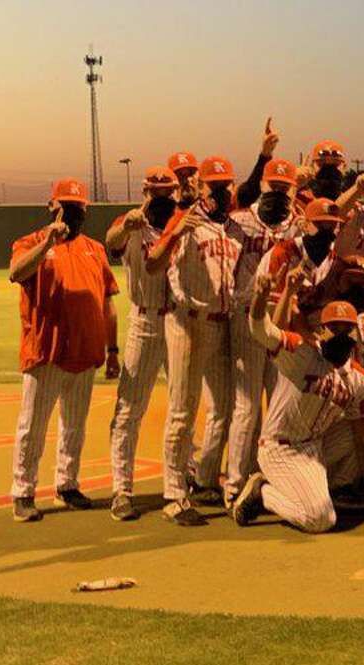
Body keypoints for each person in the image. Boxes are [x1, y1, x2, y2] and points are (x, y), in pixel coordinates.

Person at [7, 178, 119, 522]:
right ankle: (23, 492)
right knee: (33, 425)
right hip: (47, 351)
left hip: (85, 352)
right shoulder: (30, 242)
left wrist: (112, 350)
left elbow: (107, 301)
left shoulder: (95, 248)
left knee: (75, 425)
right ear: (51, 207)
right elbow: (16, 272)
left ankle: (67, 484)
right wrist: (47, 245)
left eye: (77, 207)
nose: (71, 213)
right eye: (65, 206)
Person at [232, 281, 364, 532]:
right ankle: (264, 494)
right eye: (334, 328)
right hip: (280, 448)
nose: (341, 334)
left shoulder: (360, 379)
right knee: (321, 519)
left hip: (315, 445)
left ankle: (335, 488)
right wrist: (260, 297)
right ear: (322, 330)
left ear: (356, 333)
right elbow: (260, 329)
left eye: (347, 328)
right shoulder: (301, 352)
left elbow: (363, 440)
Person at [148, 155, 241, 525]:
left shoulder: (231, 226)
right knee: (182, 411)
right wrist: (175, 232)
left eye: (225, 185)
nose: (219, 191)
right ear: (201, 188)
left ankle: (204, 479)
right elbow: (154, 263)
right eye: (213, 185)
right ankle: (174, 494)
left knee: (224, 408)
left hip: (220, 324)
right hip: (187, 323)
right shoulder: (184, 219)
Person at [223, 158, 306, 506]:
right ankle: (234, 483)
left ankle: (270, 476)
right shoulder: (239, 220)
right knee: (246, 407)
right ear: (264, 186)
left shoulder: (296, 224)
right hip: (245, 315)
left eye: (285, 189)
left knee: (278, 405)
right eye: (274, 186)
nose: (280, 194)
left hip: (279, 318)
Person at [104, 166, 179, 521]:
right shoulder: (132, 223)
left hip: (180, 321)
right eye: (156, 192)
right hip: (145, 319)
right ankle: (122, 488)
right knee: (130, 408)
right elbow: (112, 242)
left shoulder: (182, 221)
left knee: (182, 407)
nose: (162, 198)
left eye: (169, 192)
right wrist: (126, 226)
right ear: (145, 191)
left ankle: (180, 486)